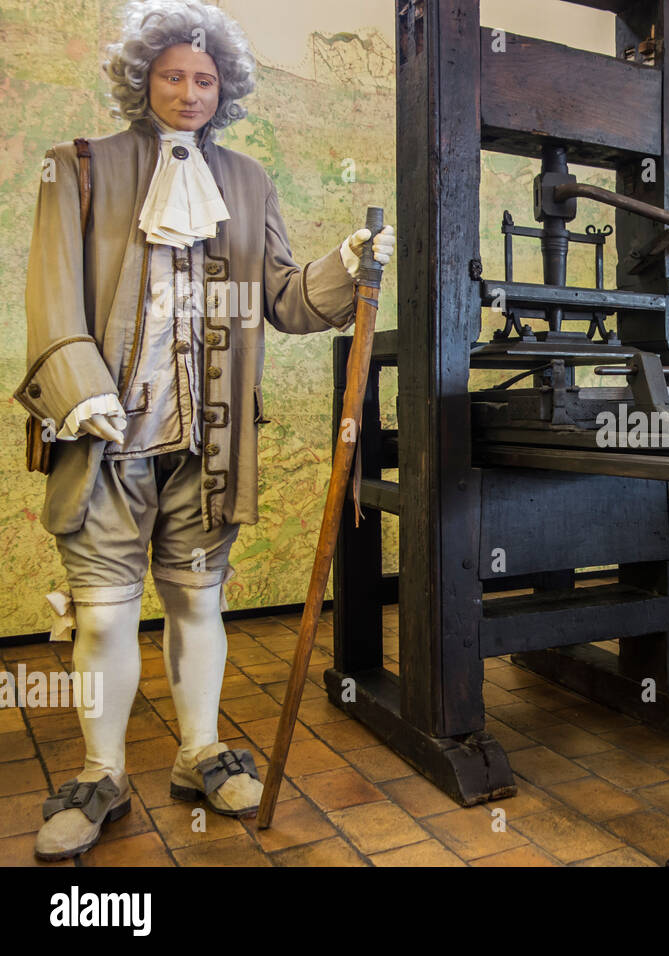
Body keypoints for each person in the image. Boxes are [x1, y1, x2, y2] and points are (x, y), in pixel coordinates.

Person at [13, 0, 395, 861]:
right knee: (106, 621)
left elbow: (289, 303)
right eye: (174, 74)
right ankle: (101, 771)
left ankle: (197, 753)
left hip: (208, 446)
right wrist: (80, 387)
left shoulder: (249, 182)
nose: (190, 91)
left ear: (225, 90)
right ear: (143, 78)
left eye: (205, 78)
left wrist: (345, 265)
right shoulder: (77, 168)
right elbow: (50, 294)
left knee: (198, 603)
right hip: (106, 437)